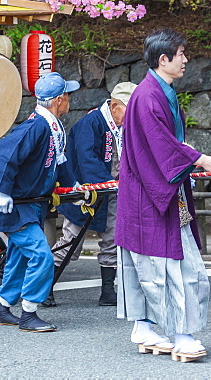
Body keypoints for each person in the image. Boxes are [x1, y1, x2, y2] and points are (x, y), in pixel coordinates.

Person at [116, 28, 211, 361]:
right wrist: (200, 158)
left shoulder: (156, 91)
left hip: (150, 191)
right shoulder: (150, 96)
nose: (185, 60)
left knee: (150, 265)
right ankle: (182, 334)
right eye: (181, 54)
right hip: (152, 193)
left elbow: (166, 144)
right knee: (177, 266)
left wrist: (192, 155)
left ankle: (144, 326)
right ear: (163, 59)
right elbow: (163, 146)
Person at [0, 72, 80, 333]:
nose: (70, 99)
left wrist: (74, 186)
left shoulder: (53, 126)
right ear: (59, 99)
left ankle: (3, 308)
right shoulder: (36, 125)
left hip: (32, 202)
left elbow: (59, 162)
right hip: (15, 205)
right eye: (67, 95)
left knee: (19, 258)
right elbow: (5, 153)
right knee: (41, 256)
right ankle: (29, 313)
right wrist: (1, 191)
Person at [53, 81, 137, 308]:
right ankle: (44, 287)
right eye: (129, 110)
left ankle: (108, 291)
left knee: (112, 239)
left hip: (114, 192)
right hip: (84, 192)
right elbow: (86, 158)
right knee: (71, 242)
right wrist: (106, 182)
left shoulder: (125, 126)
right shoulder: (90, 123)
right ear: (115, 105)